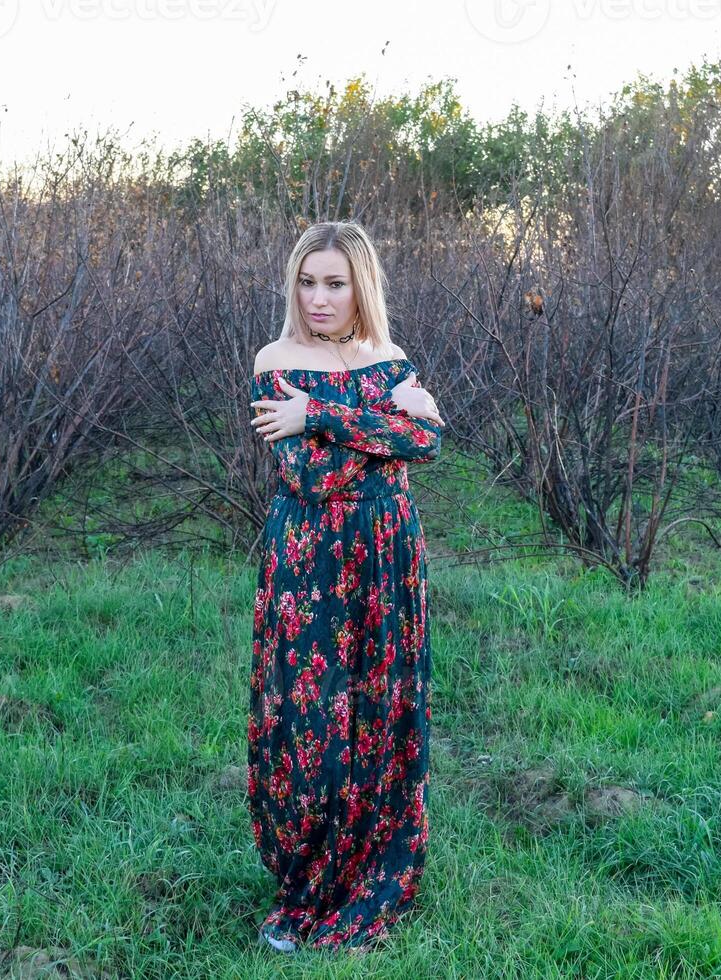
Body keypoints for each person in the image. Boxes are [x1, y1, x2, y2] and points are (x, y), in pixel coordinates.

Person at [245, 220, 445, 954]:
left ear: (361, 284)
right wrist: (384, 420)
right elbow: (313, 474)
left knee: (383, 713)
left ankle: (374, 874)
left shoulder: (386, 355)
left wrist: (321, 414)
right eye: (308, 281)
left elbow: (426, 442)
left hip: (389, 555)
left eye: (335, 282)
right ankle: (307, 882)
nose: (320, 297)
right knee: (310, 721)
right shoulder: (278, 359)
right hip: (311, 559)